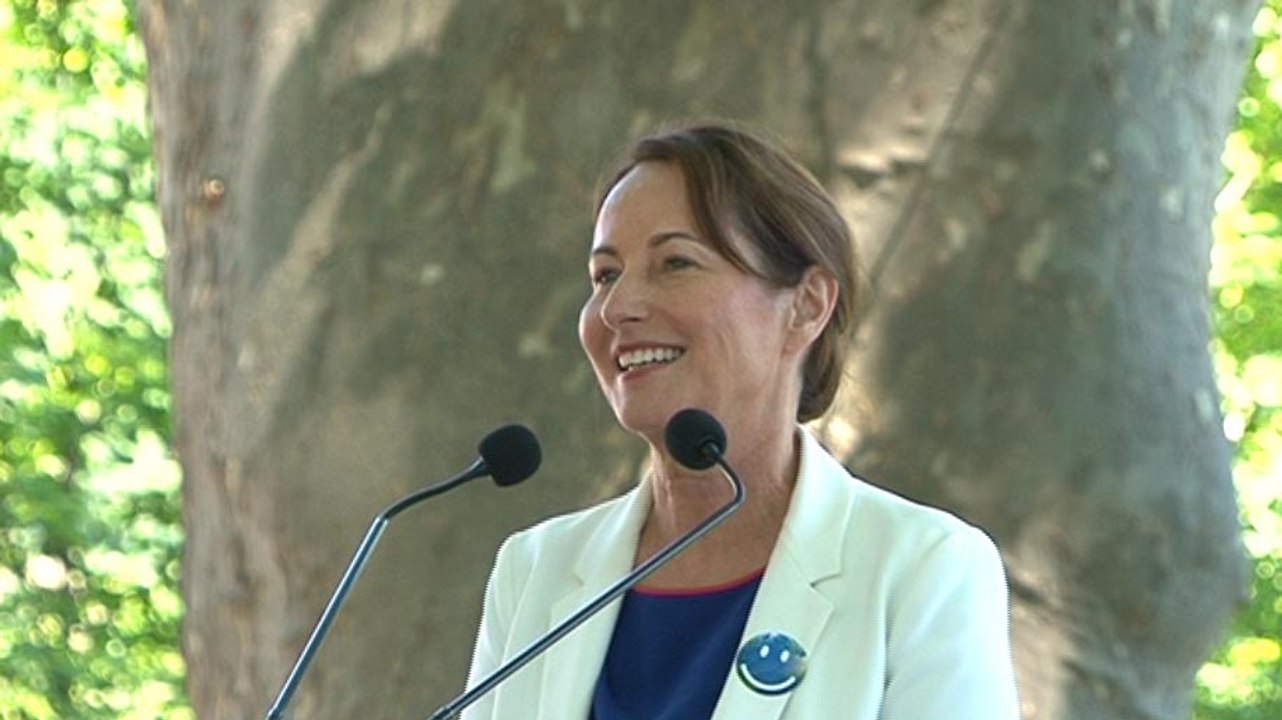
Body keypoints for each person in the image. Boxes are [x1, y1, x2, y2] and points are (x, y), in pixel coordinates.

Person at [462, 123, 1019, 719]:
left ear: (806, 306)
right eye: (605, 275)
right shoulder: (535, 569)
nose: (619, 307)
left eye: (675, 263)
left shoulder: (922, 567)